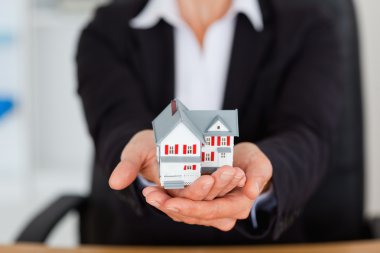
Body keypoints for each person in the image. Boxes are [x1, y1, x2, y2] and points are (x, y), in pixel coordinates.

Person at [76, 0, 342, 244]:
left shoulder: (307, 26)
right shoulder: (107, 30)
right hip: (146, 241)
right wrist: (142, 153)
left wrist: (263, 175)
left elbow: (307, 131)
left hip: (265, 243)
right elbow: (115, 119)